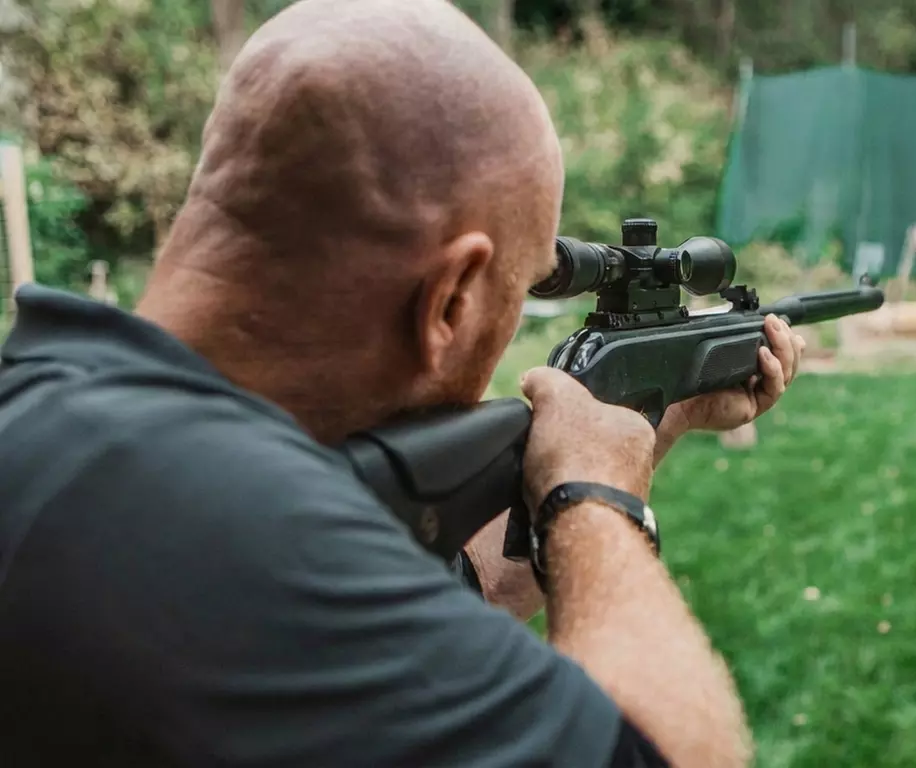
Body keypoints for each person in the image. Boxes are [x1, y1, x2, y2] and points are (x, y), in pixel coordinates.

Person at [0, 0, 807, 765]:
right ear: (450, 301)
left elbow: (453, 596)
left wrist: (648, 420)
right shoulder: (250, 545)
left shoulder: (75, 427)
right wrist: (599, 502)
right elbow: (665, 751)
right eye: (514, 294)